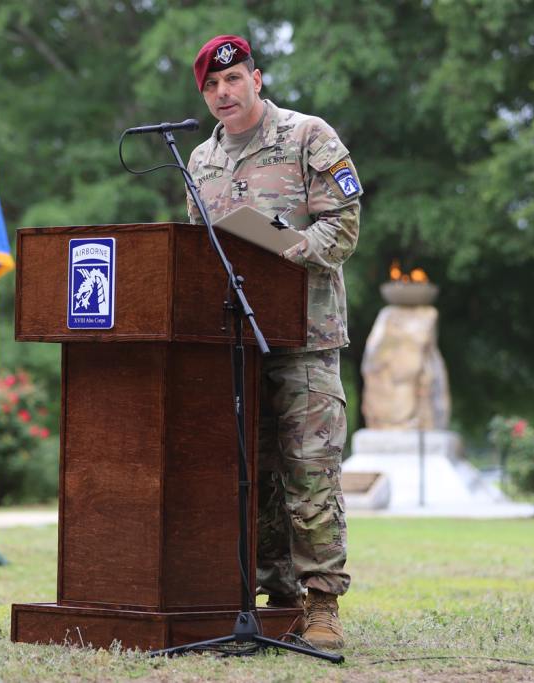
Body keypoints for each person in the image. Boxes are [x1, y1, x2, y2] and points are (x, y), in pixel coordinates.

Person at [186, 35, 362, 651]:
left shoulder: (308, 136)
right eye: (211, 85)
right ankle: (273, 596)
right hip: (234, 344)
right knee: (250, 473)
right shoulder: (200, 162)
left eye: (233, 80)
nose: (223, 94)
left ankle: (322, 603)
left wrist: (282, 252)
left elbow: (342, 227)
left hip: (304, 336)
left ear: (257, 79)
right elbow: (197, 250)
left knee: (309, 471)